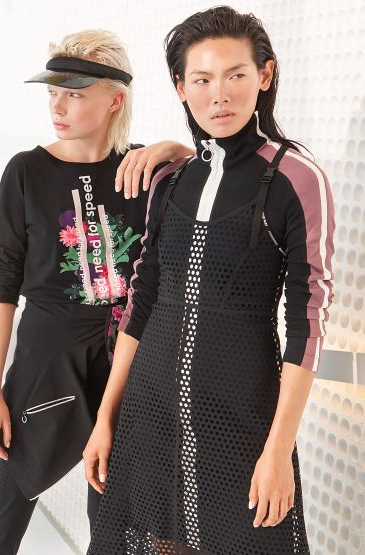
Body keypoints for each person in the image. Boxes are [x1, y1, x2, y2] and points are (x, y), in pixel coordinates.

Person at [84, 6, 335, 554]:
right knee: (157, 543)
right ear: (181, 87)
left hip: (242, 415)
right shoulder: (171, 180)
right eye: (201, 80)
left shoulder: (296, 178)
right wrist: (106, 416)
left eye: (235, 75)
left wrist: (278, 450)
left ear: (264, 75)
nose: (219, 94)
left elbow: (307, 322)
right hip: (150, 407)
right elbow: (142, 302)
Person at [0, 28, 194, 555]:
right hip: (47, 355)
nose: (57, 106)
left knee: (113, 513)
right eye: (53, 92)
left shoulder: (146, 168)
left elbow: (210, 171)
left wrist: (173, 148)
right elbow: (3, 282)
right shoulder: (26, 171)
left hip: (127, 353)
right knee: (8, 505)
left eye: (73, 93)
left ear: (115, 99)